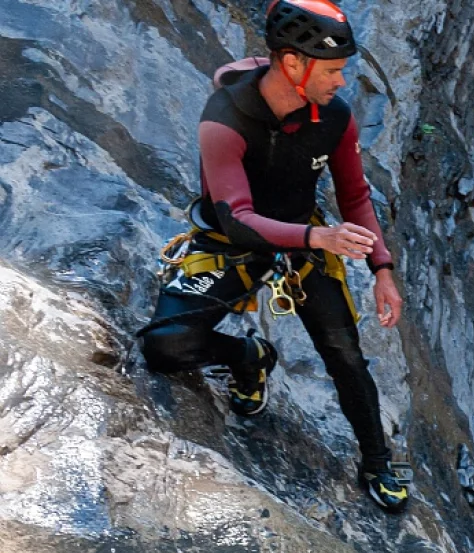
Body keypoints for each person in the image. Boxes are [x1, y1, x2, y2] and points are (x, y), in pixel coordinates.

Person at [137, 0, 411, 512]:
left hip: (301, 243)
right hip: (235, 243)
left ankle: (377, 460)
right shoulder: (226, 118)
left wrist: (382, 269)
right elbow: (237, 216)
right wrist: (318, 240)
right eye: (331, 70)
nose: (342, 81)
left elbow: (354, 196)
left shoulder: (333, 117)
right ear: (292, 64)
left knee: (346, 356)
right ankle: (251, 357)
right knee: (165, 345)